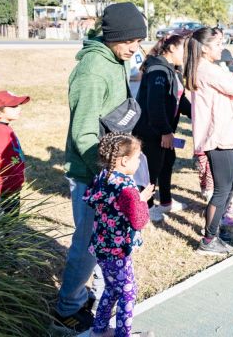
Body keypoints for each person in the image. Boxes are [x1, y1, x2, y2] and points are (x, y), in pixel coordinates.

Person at [55, 2, 147, 332]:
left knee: (99, 243)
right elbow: (84, 132)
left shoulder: (114, 58)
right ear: (112, 37)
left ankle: (83, 295)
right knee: (88, 243)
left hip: (109, 171)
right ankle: (67, 306)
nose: (136, 48)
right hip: (91, 174)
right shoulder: (93, 69)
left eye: (139, 41)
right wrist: (109, 177)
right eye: (131, 42)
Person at [184, 27, 233, 255]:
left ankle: (214, 233)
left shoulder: (204, 69)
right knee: (222, 190)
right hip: (220, 137)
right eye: (218, 44)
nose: (222, 48)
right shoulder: (208, 70)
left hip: (221, 135)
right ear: (205, 48)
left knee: (226, 188)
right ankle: (209, 239)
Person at [85, 132, 155, 337]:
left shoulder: (103, 176)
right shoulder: (126, 187)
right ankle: (123, 334)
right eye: (137, 158)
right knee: (128, 292)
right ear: (125, 160)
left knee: (112, 289)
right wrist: (141, 200)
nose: (139, 162)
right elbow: (138, 220)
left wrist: (136, 199)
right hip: (118, 250)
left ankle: (98, 331)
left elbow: (92, 198)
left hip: (101, 245)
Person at [133, 34, 192, 222]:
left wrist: (197, 114)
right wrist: (165, 131)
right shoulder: (158, 70)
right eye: (185, 50)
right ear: (172, 48)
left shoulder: (171, 69)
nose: (187, 55)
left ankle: (166, 202)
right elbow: (155, 105)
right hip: (151, 131)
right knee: (151, 170)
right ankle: (147, 207)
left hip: (164, 130)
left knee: (167, 163)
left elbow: (179, 98)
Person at [0, 91, 30, 213]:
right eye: (13, 106)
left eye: (18, 105)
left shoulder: (4, 128)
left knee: (11, 222)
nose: (18, 108)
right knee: (5, 225)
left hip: (12, 186)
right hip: (4, 189)